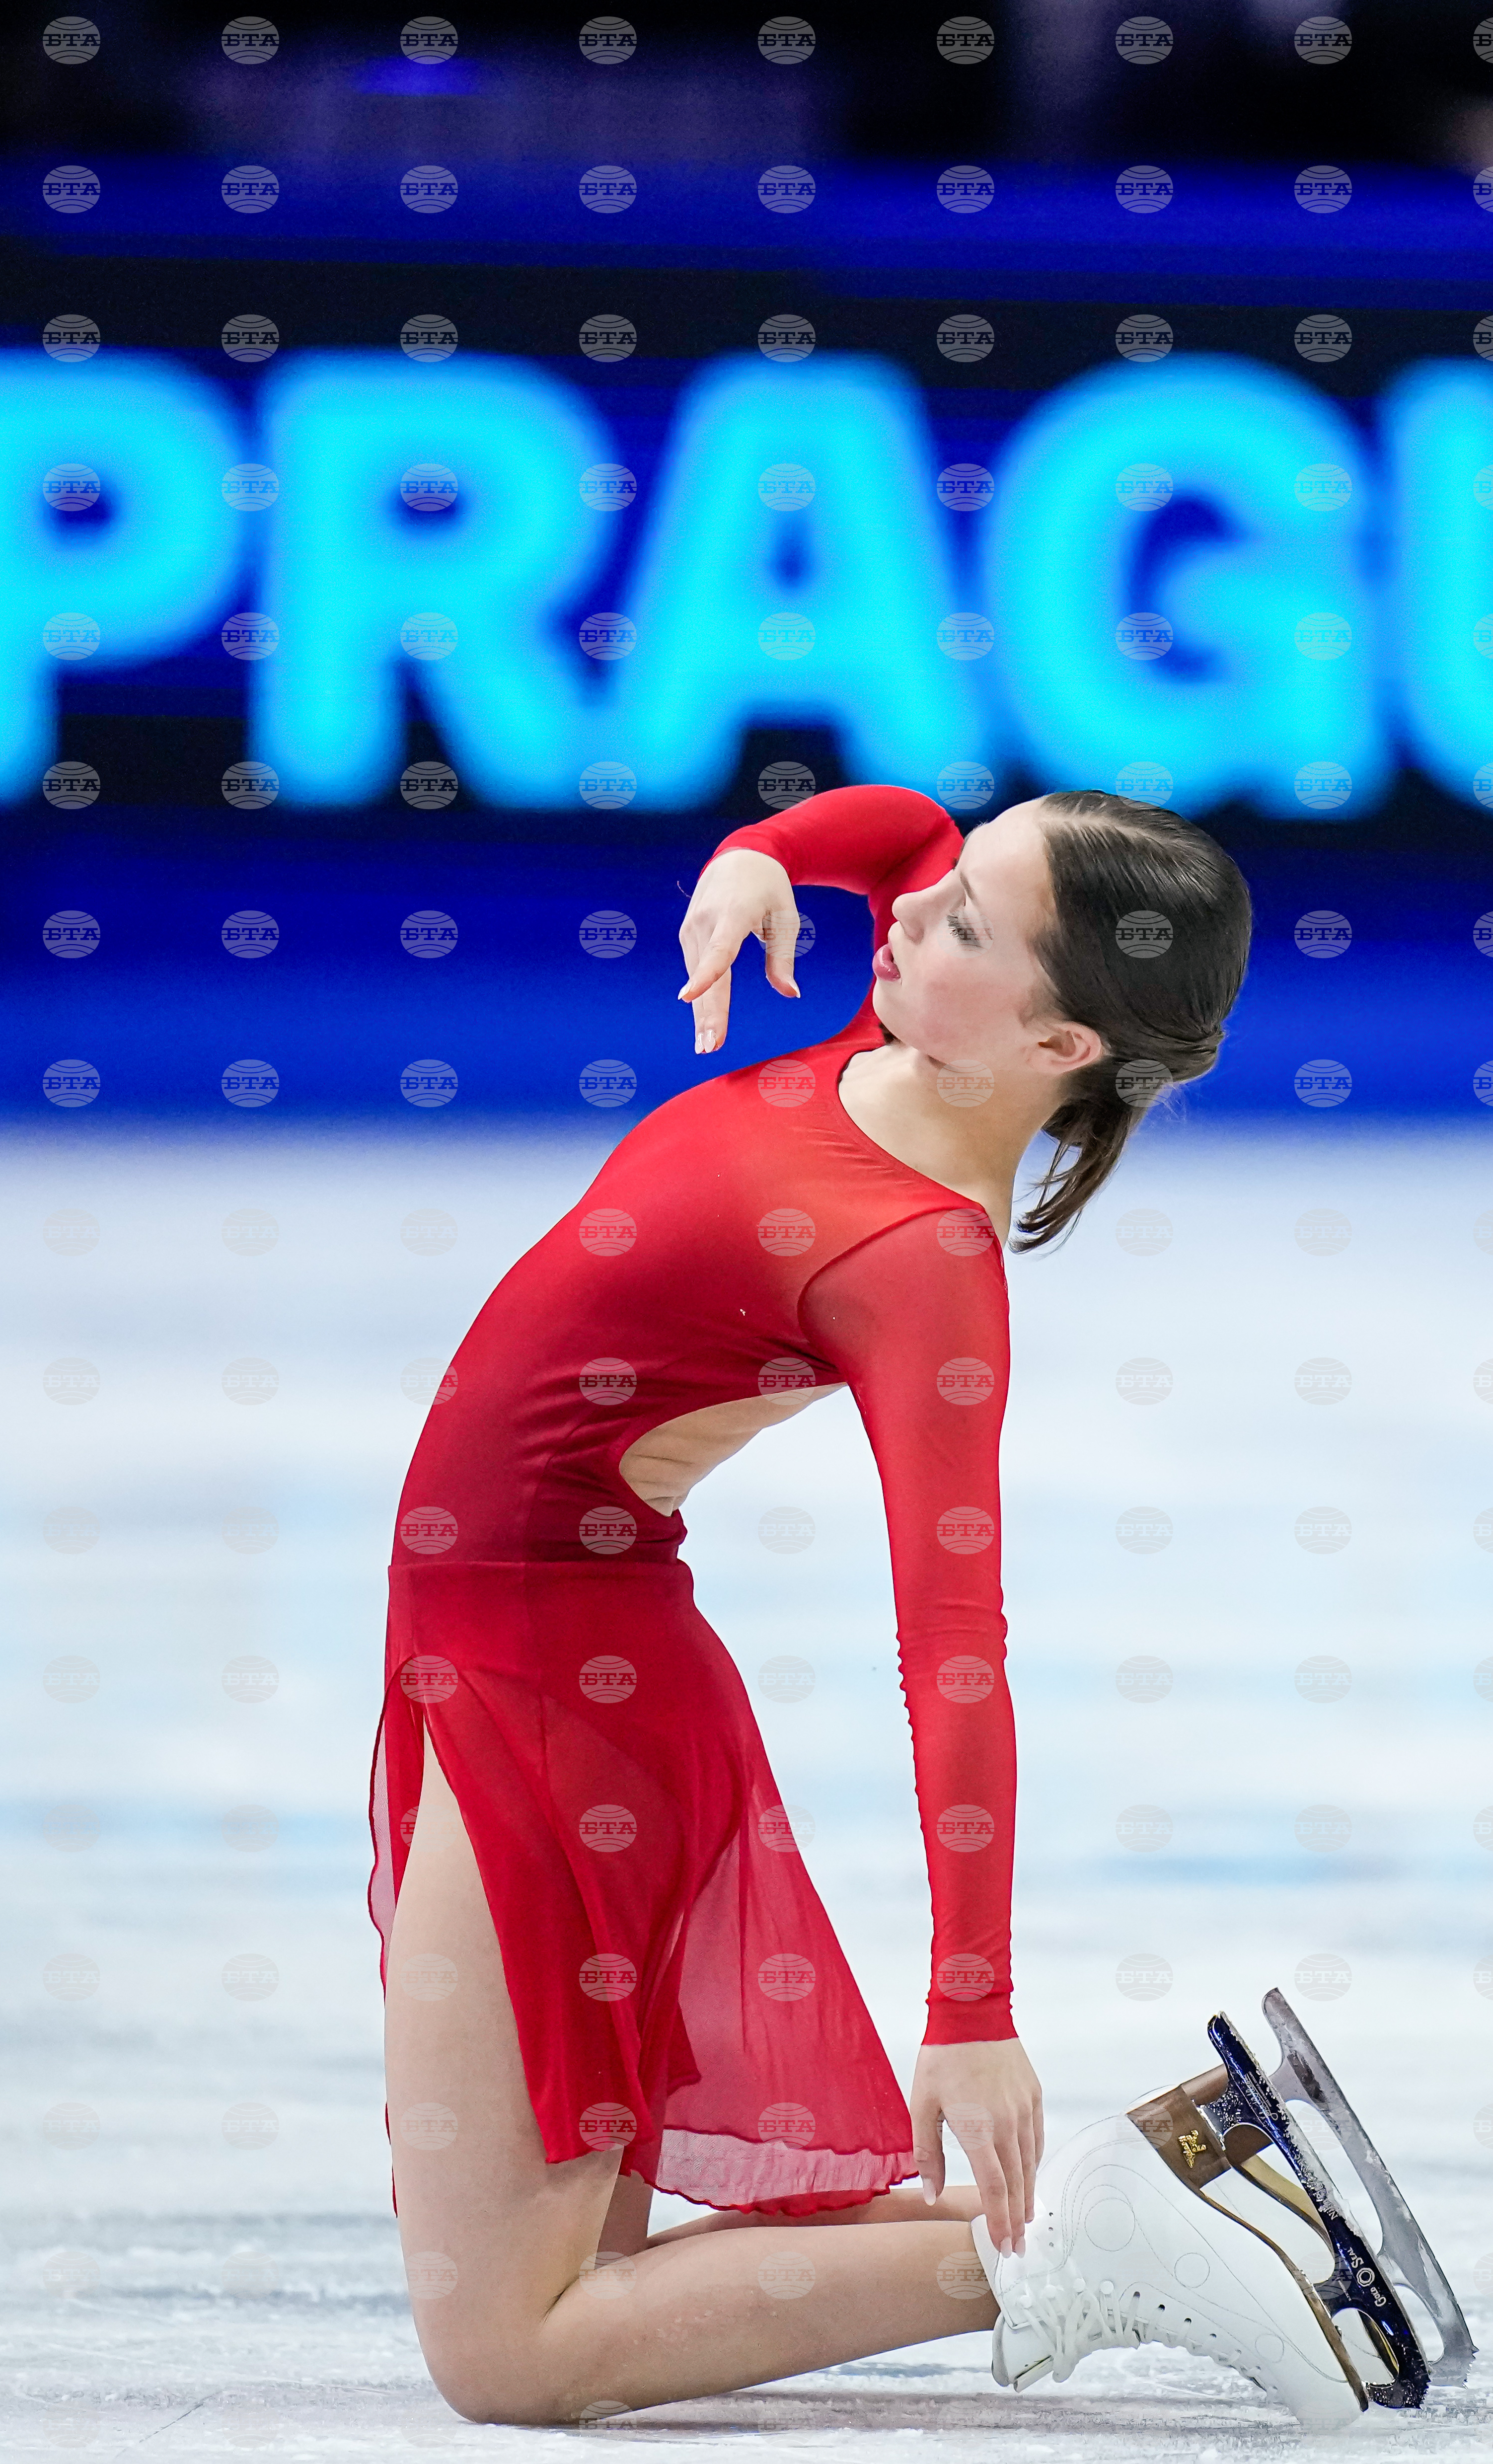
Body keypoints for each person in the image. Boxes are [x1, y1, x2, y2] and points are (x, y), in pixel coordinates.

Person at [373, 781, 1256, 2427]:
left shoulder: (919, 1256)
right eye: (942, 891)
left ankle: (1096, 2237)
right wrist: (757, 860)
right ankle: (1160, 2195)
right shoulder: (928, 1022)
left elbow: (955, 1643)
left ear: (1060, 1049)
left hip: (557, 1691)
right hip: (503, 1649)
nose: (913, 911)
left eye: (965, 921)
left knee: (512, 2347)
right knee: (565, 2270)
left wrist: (971, 2008)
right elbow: (897, 826)